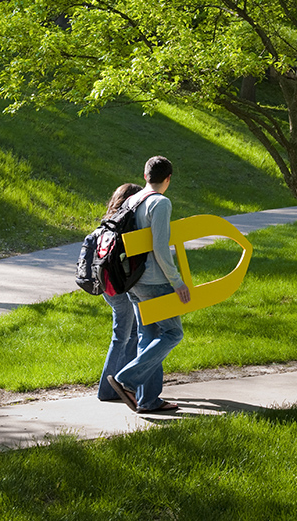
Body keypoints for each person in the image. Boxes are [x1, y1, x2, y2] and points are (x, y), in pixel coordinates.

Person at [109, 156, 191, 413]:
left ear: (145, 176)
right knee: (173, 333)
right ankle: (127, 380)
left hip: (133, 280)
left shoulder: (133, 200)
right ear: (168, 179)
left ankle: (148, 400)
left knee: (149, 335)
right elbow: (160, 247)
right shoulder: (161, 202)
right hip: (155, 281)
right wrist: (177, 281)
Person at [97, 183, 143, 401]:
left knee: (131, 333)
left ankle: (122, 385)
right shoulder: (125, 224)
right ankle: (107, 390)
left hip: (108, 286)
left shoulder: (108, 222)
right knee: (122, 335)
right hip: (120, 287)